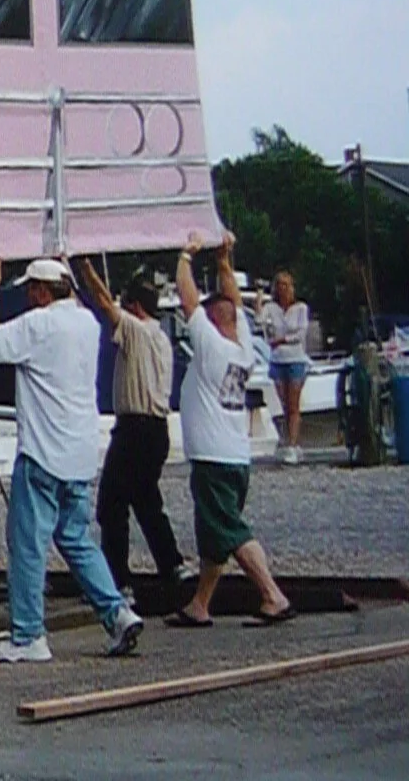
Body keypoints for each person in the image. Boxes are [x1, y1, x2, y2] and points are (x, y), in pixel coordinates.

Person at [0, 257, 143, 662]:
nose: (27, 296)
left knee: (27, 544)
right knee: (75, 538)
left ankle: (28, 635)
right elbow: (77, 301)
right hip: (80, 451)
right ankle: (117, 612)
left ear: (41, 291)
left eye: (31, 289)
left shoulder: (39, 324)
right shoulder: (87, 323)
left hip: (42, 451)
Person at [167, 233, 293, 629]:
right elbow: (235, 304)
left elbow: (189, 300)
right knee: (215, 535)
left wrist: (185, 256)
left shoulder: (212, 347)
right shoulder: (243, 349)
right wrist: (224, 261)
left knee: (230, 531)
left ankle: (272, 595)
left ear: (212, 322)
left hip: (214, 457)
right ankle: (200, 605)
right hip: (235, 455)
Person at [76, 258, 186, 593]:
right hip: (158, 429)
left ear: (135, 307)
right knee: (146, 499)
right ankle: (172, 564)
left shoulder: (136, 330)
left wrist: (86, 270)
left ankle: (118, 580)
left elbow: (104, 303)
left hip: (134, 428)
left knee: (111, 505)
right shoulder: (162, 338)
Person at [256, 270, 311, 464]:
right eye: (279, 285)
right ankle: (291, 441)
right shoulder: (271, 308)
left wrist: (281, 340)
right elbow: (259, 320)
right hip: (278, 360)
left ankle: (293, 444)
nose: (283, 289)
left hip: (295, 359)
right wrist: (259, 298)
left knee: (294, 403)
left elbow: (301, 334)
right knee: (285, 404)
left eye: (286, 285)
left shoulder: (301, 308)